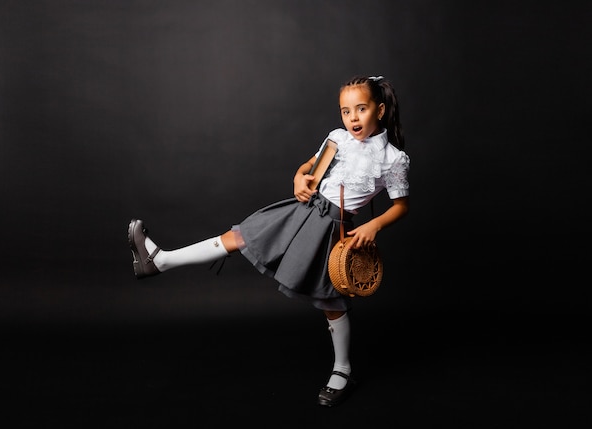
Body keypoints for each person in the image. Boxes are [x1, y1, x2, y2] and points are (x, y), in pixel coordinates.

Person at [128, 75, 410, 407]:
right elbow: (310, 166)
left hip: (333, 230)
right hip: (300, 211)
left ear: (378, 109)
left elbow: (401, 206)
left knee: (331, 303)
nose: (352, 118)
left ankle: (343, 370)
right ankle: (160, 261)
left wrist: (374, 225)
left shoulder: (393, 158)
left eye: (360, 109)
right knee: (239, 237)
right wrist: (298, 177)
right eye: (345, 111)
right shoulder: (337, 138)